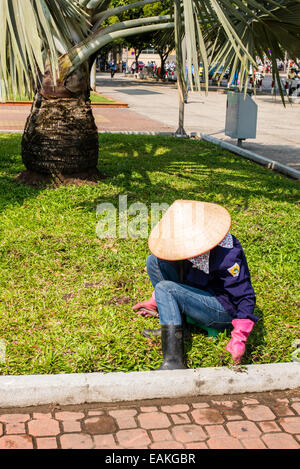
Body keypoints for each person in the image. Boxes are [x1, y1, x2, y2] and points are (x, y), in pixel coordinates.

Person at [133, 200, 257, 370]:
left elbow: (245, 297)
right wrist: (157, 301)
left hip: (222, 309)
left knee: (165, 289)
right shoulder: (190, 247)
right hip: (200, 291)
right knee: (155, 260)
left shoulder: (228, 256)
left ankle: (174, 361)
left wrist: (239, 337)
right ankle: (178, 327)